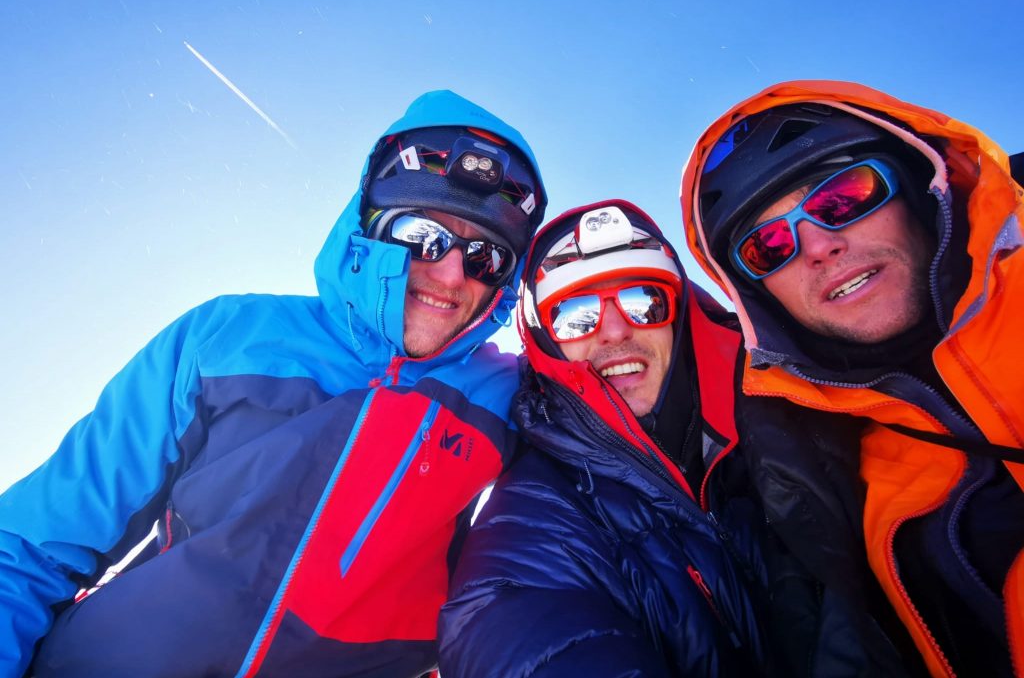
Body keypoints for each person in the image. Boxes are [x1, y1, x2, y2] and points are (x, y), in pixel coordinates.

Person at [0, 90, 546, 677]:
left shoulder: (511, 399)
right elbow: (35, 544)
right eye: (422, 236)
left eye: (486, 257)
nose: (449, 273)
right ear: (369, 227)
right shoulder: (229, 335)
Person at [680, 80, 1024, 677]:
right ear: (758, 298)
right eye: (767, 247)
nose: (816, 245)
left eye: (844, 197)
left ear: (919, 189)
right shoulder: (819, 474)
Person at [438, 200, 769, 677]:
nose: (615, 331)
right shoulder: (530, 528)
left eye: (643, 302)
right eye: (575, 315)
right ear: (545, 343)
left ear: (680, 317)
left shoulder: (783, 432)